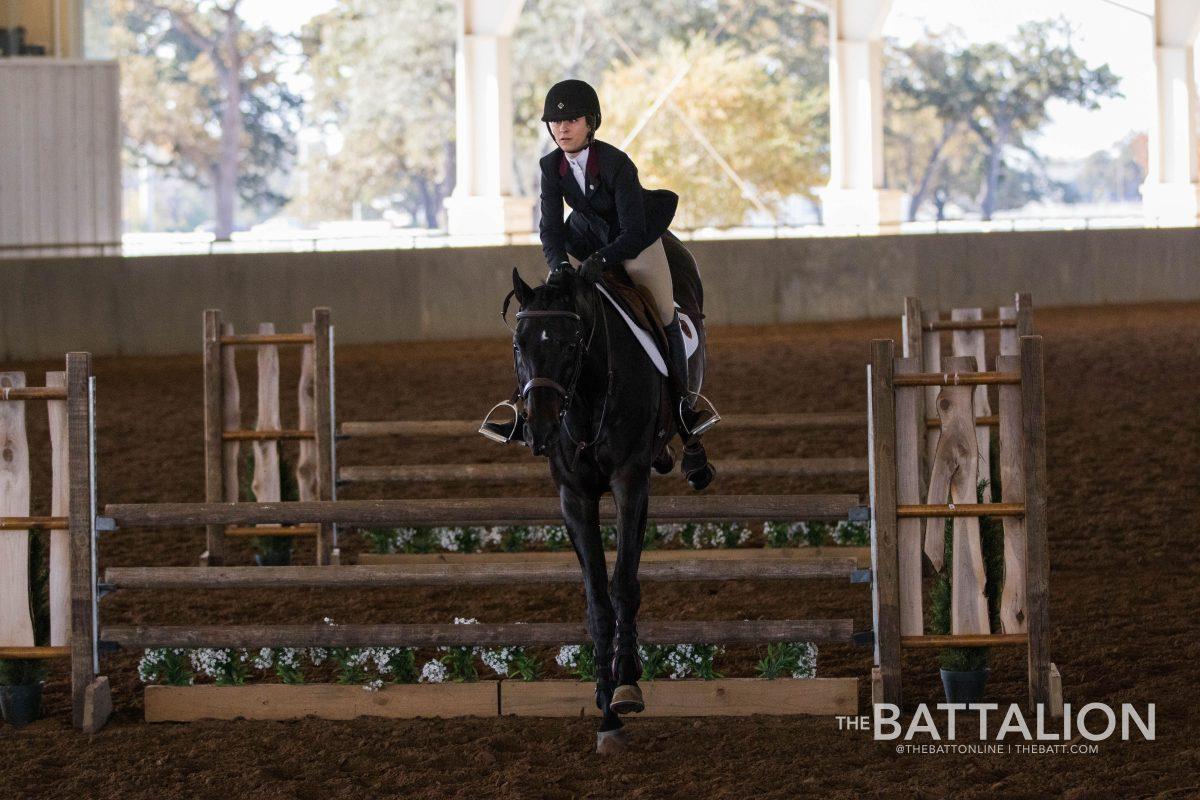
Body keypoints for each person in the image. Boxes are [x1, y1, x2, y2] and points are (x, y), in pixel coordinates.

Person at [481, 78, 718, 445]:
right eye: (556, 122)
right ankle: (522, 412)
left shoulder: (616, 163)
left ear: (591, 123)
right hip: (585, 238)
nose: (562, 128)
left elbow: (633, 231)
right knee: (548, 316)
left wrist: (602, 259)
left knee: (664, 314)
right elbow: (550, 228)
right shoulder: (550, 167)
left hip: (634, 240)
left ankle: (684, 411)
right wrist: (559, 263)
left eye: (572, 120)